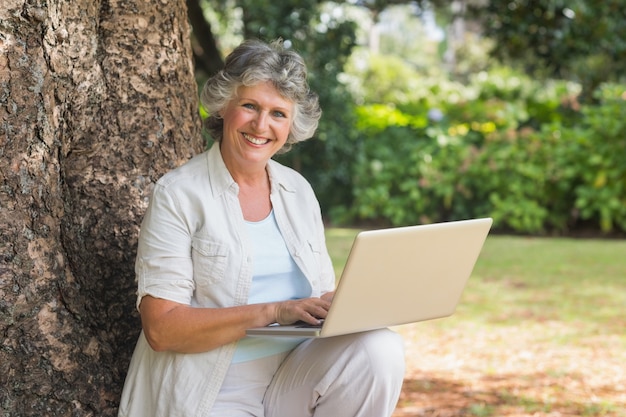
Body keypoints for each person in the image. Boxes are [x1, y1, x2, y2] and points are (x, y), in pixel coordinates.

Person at [118, 38, 406, 417]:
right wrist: (274, 310)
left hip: (292, 374)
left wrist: (350, 304)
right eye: (250, 106)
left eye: (278, 114)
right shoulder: (179, 193)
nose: (261, 125)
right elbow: (163, 329)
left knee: (379, 349)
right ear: (224, 107)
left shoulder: (297, 190)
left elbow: (319, 295)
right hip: (209, 387)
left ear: (292, 124)